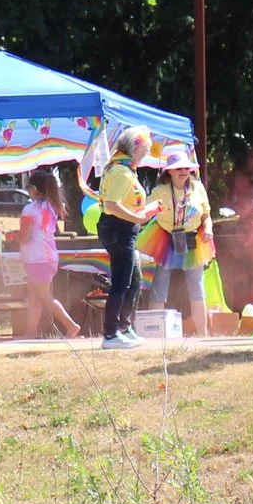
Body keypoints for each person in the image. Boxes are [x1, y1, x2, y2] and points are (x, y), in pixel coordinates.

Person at [95, 127, 161, 350]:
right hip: (119, 230)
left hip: (122, 229)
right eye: (145, 149)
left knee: (133, 280)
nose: (146, 154)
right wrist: (138, 217)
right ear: (134, 147)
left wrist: (143, 213)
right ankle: (111, 334)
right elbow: (113, 205)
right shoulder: (121, 172)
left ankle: (124, 327)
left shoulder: (121, 168)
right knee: (122, 282)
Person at [142, 145, 214, 328]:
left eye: (186, 168)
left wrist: (208, 228)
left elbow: (206, 214)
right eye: (178, 168)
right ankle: (154, 330)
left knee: (196, 285)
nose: (183, 171)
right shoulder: (159, 191)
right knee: (160, 282)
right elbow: (145, 212)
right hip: (166, 238)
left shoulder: (198, 188)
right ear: (170, 172)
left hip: (194, 239)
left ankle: (202, 333)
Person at [14, 167, 80, 340]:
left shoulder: (29, 209)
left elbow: (25, 236)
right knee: (36, 296)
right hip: (49, 257)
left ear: (34, 189)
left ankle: (71, 326)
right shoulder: (53, 207)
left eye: (29, 186)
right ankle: (30, 332)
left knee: (43, 296)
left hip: (35, 258)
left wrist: (12, 235)